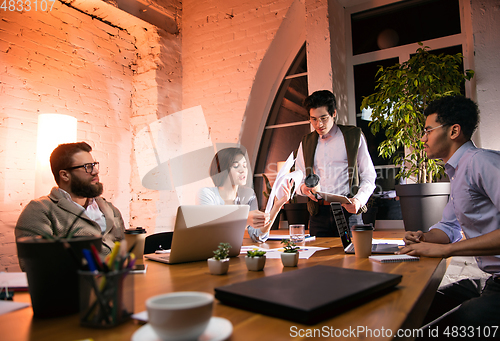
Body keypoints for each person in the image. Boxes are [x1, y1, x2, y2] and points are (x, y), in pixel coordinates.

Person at [397, 96, 500, 338]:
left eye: (428, 131)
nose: (422, 139)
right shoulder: (459, 171)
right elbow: (449, 227)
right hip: (492, 280)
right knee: (416, 306)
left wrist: (447, 251)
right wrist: (425, 237)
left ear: (454, 131)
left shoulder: (481, 163)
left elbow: (449, 244)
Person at [15, 142, 125, 259]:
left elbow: (127, 250)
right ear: (65, 175)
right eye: (87, 167)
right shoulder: (39, 210)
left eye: (94, 165)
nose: (95, 171)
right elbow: (37, 265)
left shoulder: (109, 209)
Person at [294, 90, 376, 237]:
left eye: (323, 118)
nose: (318, 124)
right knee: (317, 259)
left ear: (334, 113)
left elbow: (369, 176)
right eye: (313, 119)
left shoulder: (354, 137)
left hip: (348, 212)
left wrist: (359, 200)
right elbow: (298, 180)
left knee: (353, 258)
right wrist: (303, 188)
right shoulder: (306, 142)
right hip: (318, 214)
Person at [198, 147, 292, 242]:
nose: (242, 170)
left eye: (245, 165)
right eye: (236, 166)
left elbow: (257, 236)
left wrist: (276, 207)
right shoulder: (207, 194)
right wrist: (245, 218)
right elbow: (210, 229)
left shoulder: (248, 194)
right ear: (221, 170)